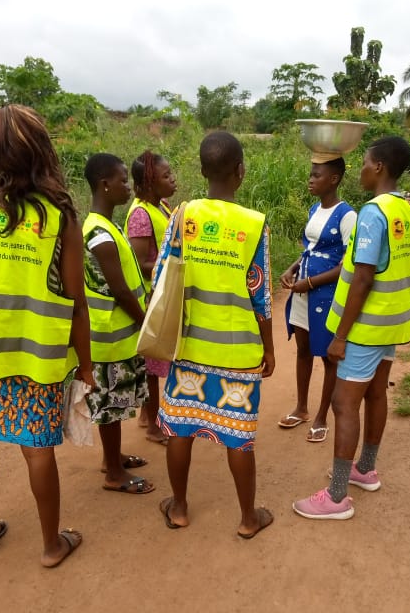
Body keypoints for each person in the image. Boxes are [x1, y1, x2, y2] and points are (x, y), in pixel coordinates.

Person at [0, 104, 93, 566]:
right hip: (36, 359)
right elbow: (76, 302)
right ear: (43, 152)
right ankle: (50, 546)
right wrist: (86, 365)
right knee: (37, 450)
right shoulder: (58, 218)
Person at [293, 136, 410, 520]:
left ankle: (337, 496)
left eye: (366, 163)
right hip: (394, 322)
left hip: (366, 327)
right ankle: (365, 470)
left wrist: (340, 336)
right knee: (375, 393)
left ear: (379, 167)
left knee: (344, 403)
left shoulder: (373, 213)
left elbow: (363, 277)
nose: (362, 170)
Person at [155, 131, 275, 538]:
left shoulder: (182, 215)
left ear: (202, 170)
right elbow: (260, 294)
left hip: (187, 345)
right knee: (238, 437)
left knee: (180, 428)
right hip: (238, 352)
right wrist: (269, 349)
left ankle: (179, 507)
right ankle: (247, 518)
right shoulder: (253, 224)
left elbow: (162, 275)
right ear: (240, 171)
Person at [82, 153, 154, 494]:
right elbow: (121, 291)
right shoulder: (99, 233)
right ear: (104, 185)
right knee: (111, 406)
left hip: (117, 335)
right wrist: (146, 322)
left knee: (117, 401)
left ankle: (114, 457)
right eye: (123, 180)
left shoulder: (106, 226)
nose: (128, 187)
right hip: (109, 337)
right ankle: (113, 472)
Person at [278, 157, 356, 443]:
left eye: (317, 175)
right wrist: (292, 268)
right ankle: (301, 408)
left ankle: (322, 416)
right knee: (303, 350)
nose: (310, 180)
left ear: (334, 179)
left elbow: (347, 265)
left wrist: (310, 283)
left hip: (325, 296)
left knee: (327, 356)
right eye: (310, 175)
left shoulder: (347, 216)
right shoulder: (314, 209)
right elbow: (309, 249)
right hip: (302, 293)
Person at [125, 150, 177, 445]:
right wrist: (174, 266)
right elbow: (139, 262)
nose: (173, 179)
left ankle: (147, 415)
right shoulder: (141, 215)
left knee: (153, 364)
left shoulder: (161, 206)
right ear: (148, 183)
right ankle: (155, 426)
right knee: (153, 367)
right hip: (150, 298)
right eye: (166, 176)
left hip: (162, 294)